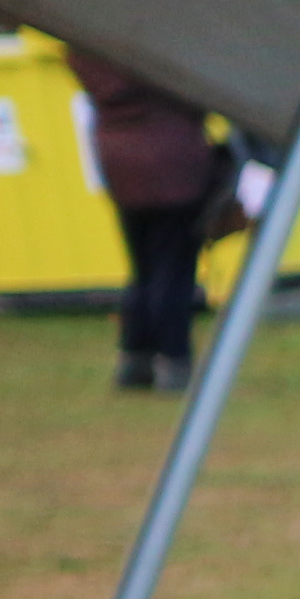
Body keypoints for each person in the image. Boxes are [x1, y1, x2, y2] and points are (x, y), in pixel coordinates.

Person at [64, 43, 224, 394]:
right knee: (174, 270)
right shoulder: (157, 50)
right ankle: (173, 362)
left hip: (119, 162)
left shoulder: (89, 50)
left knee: (144, 269)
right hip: (176, 162)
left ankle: (135, 359)